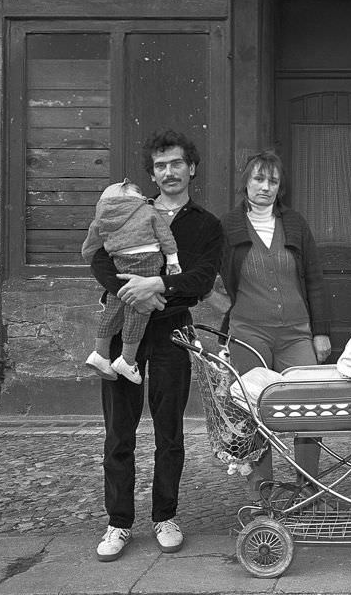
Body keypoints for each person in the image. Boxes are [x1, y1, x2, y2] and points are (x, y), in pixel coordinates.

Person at [87, 130, 224, 562]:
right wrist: (132, 291)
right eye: (160, 165)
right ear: (152, 172)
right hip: (121, 331)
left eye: (176, 163)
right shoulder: (127, 208)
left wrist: (158, 285)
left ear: (191, 168)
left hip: (170, 332)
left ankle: (165, 515)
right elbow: (98, 257)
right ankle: (119, 523)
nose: (168, 172)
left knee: (169, 431)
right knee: (118, 432)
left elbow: (201, 280)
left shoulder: (205, 224)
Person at [217, 149, 332, 495]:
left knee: (308, 406)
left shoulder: (294, 223)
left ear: (280, 187)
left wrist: (321, 332)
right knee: (254, 411)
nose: (265, 186)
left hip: (296, 333)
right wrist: (221, 306)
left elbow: (314, 278)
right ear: (246, 183)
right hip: (248, 333)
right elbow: (209, 273)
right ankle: (262, 491)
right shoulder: (228, 226)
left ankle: (307, 486)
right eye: (258, 178)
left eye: (273, 180)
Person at [81, 178, 182, 384]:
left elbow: (90, 247)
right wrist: (172, 260)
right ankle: (127, 360)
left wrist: (94, 257)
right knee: (139, 311)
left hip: (119, 262)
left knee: (114, 305)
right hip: (147, 261)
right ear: (139, 196)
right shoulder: (147, 210)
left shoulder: (102, 216)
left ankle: (100, 354)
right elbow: (165, 236)